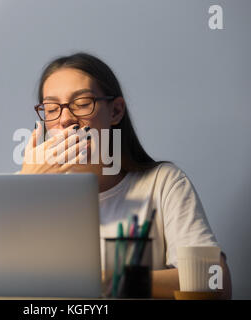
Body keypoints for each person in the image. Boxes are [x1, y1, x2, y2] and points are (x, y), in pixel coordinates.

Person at [18, 52, 232, 299]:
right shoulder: (25, 184)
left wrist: (112, 280)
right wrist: (27, 188)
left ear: (116, 111)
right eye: (52, 108)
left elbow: (216, 281)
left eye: (83, 103)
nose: (65, 119)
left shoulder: (162, 183)